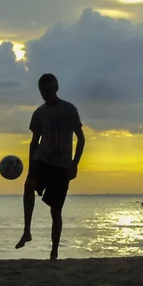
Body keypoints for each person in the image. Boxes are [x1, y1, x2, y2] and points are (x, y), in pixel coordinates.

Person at [15, 73, 85, 260]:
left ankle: (54, 252)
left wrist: (74, 164)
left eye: (48, 90)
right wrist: (30, 169)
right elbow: (33, 142)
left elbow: (81, 139)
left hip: (62, 165)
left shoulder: (69, 109)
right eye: (42, 91)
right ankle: (27, 231)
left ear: (55, 88)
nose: (45, 94)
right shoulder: (39, 113)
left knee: (56, 211)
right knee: (29, 185)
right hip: (42, 160)